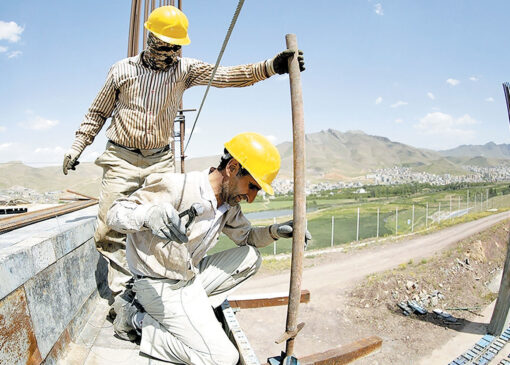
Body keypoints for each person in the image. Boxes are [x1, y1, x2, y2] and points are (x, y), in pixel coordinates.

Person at [62, 5, 305, 294]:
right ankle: (123, 293)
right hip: (121, 157)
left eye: (174, 48)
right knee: (109, 229)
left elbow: (225, 76)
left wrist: (270, 67)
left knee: (165, 221)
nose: (169, 53)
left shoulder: (184, 70)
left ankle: (157, 282)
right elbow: (97, 113)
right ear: (150, 37)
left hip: (160, 160)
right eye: (163, 46)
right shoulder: (121, 70)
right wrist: (77, 146)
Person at [106, 132, 311, 364]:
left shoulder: (229, 206)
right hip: (158, 284)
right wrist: (148, 215)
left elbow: (248, 238)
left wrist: (276, 231)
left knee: (251, 257)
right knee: (223, 358)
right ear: (233, 168)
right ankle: (135, 319)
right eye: (251, 186)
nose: (251, 198)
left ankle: (190, 315)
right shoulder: (178, 186)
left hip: (188, 278)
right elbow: (115, 213)